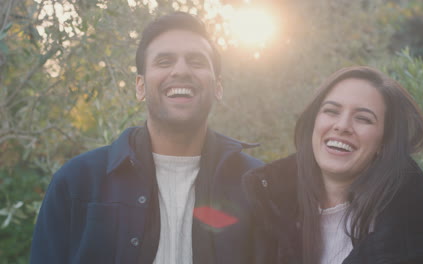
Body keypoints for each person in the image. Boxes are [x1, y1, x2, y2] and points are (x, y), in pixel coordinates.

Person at [30, 12, 263, 264]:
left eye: (196, 61)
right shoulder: (77, 182)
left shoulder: (256, 186)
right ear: (140, 86)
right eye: (164, 61)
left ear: (218, 86)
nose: (181, 70)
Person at [243, 66, 423, 264]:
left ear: (384, 142)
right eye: (331, 111)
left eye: (363, 119)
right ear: (314, 123)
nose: (342, 126)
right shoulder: (260, 207)